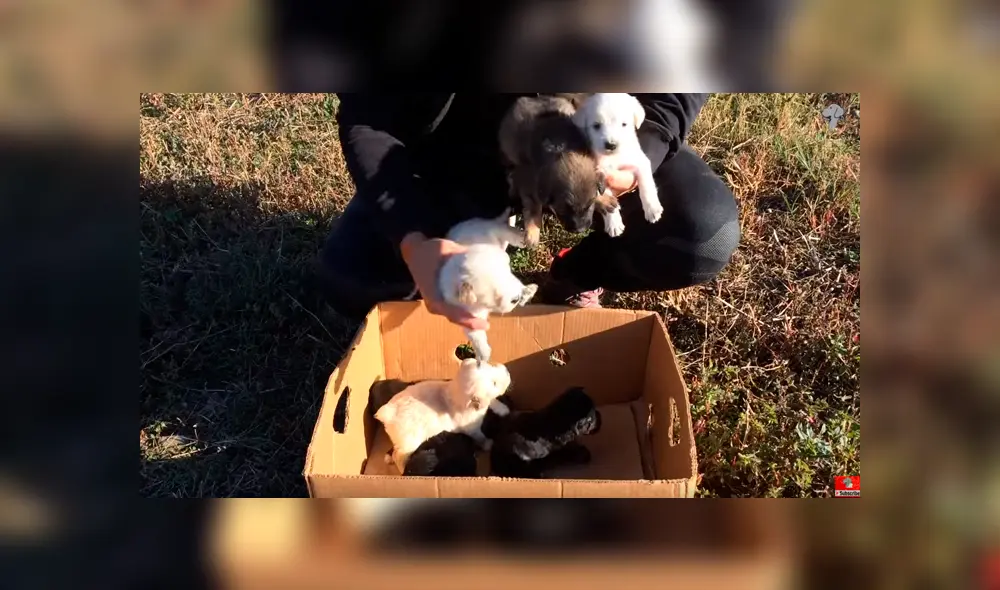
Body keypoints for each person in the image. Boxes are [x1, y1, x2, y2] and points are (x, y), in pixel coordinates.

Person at [314, 94, 739, 332]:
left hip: (590, 143)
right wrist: (414, 240)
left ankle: (577, 272)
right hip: (463, 155)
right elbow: (368, 118)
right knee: (356, 277)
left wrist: (638, 151)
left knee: (701, 234)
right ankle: (476, 229)